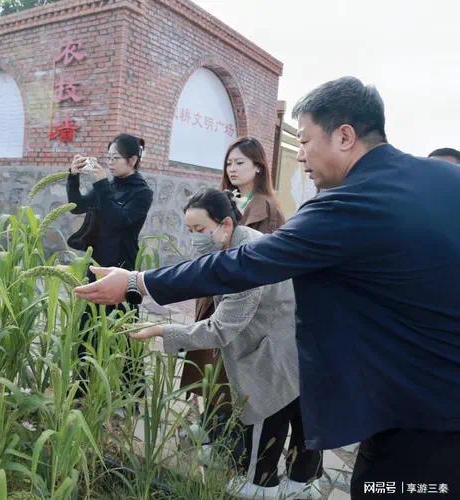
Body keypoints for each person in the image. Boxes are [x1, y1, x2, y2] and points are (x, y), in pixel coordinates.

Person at [73, 77, 460, 499]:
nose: (301, 155)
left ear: (344, 136)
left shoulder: (349, 203)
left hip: (415, 417)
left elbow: (245, 264)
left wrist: (137, 281)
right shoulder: (445, 178)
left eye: (306, 140)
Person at [134, 187, 321, 499]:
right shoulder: (241, 243)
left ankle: (261, 487)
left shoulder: (247, 261)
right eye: (190, 230)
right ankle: (302, 483)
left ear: (225, 224)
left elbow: (221, 329)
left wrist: (162, 331)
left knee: (264, 428)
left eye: (200, 229)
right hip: (290, 343)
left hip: (272, 352)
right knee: (298, 421)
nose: (195, 238)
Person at [181, 138, 287, 428]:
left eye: (240, 162)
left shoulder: (269, 210)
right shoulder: (220, 199)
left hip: (243, 302)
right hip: (213, 295)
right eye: (229, 163)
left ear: (259, 167)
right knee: (210, 371)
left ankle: (226, 434)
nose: (233, 169)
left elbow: (268, 265)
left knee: (231, 374)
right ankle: (210, 428)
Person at [67, 133, 153, 402]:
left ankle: (133, 395)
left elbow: (119, 221)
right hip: (96, 263)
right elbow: (76, 206)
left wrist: (102, 184)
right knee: (87, 325)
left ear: (133, 160)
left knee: (125, 331)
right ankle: (81, 389)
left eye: (116, 158)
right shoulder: (108, 185)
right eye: (108, 157)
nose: (111, 163)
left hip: (122, 269)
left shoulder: (142, 192)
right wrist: (73, 176)